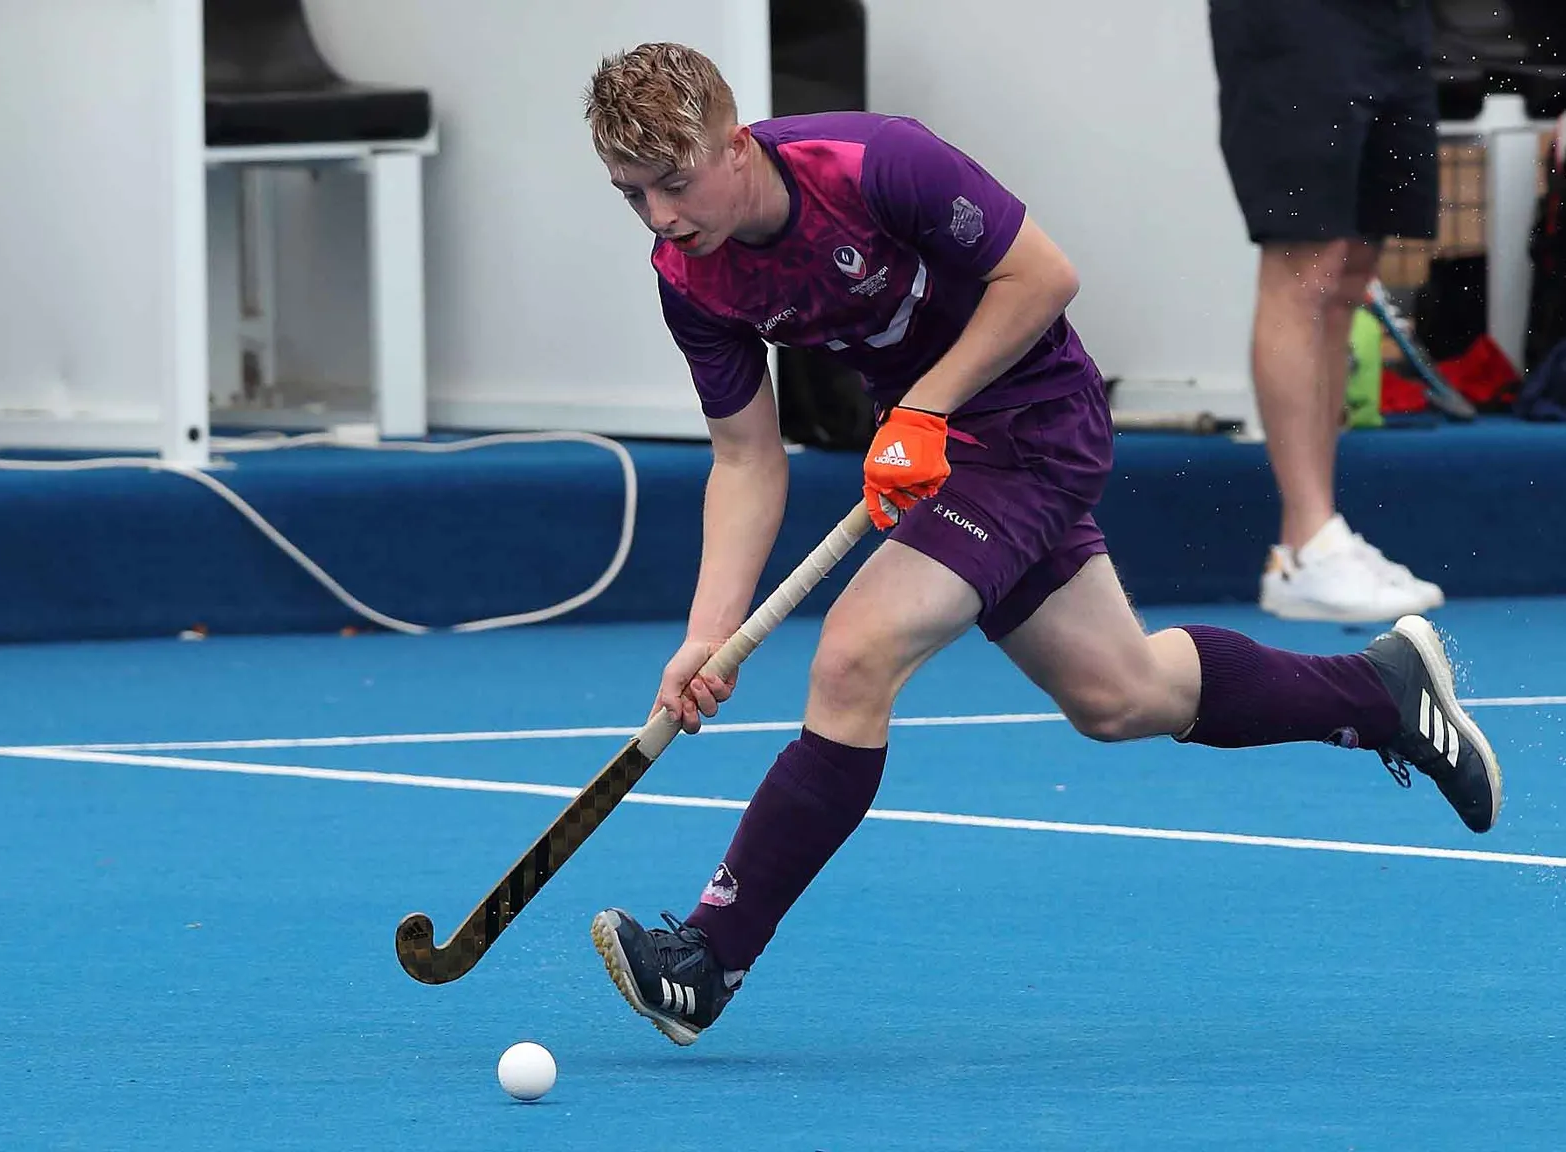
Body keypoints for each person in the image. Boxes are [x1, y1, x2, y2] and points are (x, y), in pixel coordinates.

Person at [579, 42, 1503, 1048]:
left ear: (735, 143)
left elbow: (1042, 276)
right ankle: (1380, 696)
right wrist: (707, 636)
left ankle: (710, 958)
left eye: (674, 184)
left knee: (852, 655)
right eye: (631, 196)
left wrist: (923, 406)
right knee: (1120, 697)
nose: (661, 218)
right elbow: (746, 460)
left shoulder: (874, 163)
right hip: (939, 454)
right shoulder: (690, 277)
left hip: (1029, 429)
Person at [1207, 0, 1449, 623]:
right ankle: (1308, 538)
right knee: (1306, 266)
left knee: (1352, 273)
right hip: (1298, 20)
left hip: (1396, 21)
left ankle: (1312, 542)